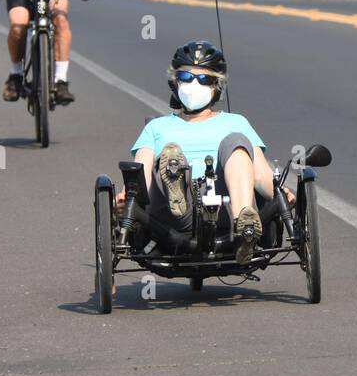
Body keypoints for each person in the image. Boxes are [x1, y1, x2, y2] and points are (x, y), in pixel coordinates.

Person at [123, 40, 291, 263]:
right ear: (174, 81)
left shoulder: (236, 122)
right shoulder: (157, 127)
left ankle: (245, 225)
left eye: (204, 79)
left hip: (226, 205)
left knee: (236, 142)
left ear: (217, 86)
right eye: (185, 77)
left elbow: (260, 173)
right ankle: (177, 183)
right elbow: (142, 171)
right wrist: (128, 196)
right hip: (175, 218)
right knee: (171, 156)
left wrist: (281, 194)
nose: (194, 85)